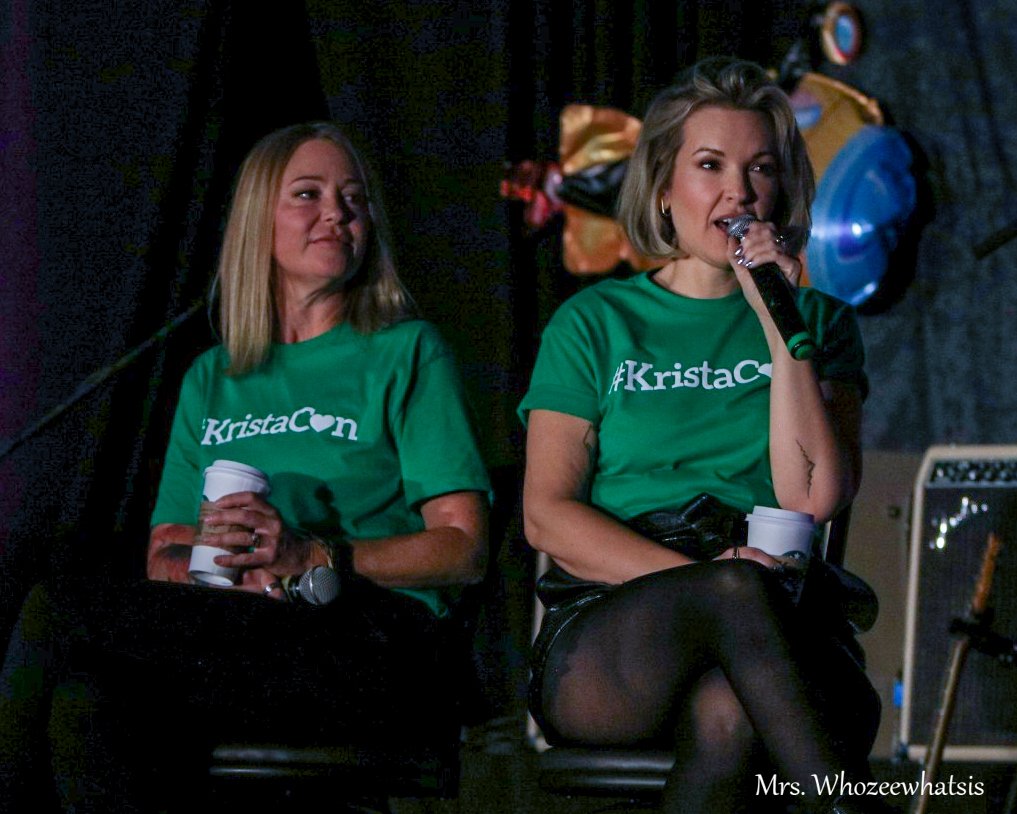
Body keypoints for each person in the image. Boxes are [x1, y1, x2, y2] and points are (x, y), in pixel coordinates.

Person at [0, 121, 490, 812]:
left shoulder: (405, 352)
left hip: (371, 642)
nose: (336, 213)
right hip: (236, 630)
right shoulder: (214, 376)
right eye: (308, 194)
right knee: (90, 703)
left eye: (353, 199)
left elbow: (463, 549)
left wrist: (311, 555)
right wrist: (219, 559)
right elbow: (164, 550)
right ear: (259, 220)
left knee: (59, 606)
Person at [520, 58, 886, 814]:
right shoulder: (594, 324)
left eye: (760, 169)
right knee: (731, 594)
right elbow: (546, 516)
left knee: (726, 714)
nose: (740, 191)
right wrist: (706, 581)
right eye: (710, 165)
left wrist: (778, 328)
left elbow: (812, 495)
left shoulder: (819, 324)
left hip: (779, 624)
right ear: (663, 186)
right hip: (615, 629)